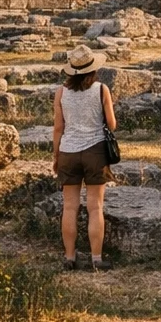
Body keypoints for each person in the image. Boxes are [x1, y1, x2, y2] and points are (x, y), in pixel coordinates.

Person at [52, 44, 118, 271]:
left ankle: (69, 257)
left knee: (69, 207)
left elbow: (58, 128)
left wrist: (56, 155)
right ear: (93, 68)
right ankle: (96, 258)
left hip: (68, 150)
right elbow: (112, 124)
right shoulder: (102, 90)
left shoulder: (61, 92)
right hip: (95, 150)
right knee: (95, 206)